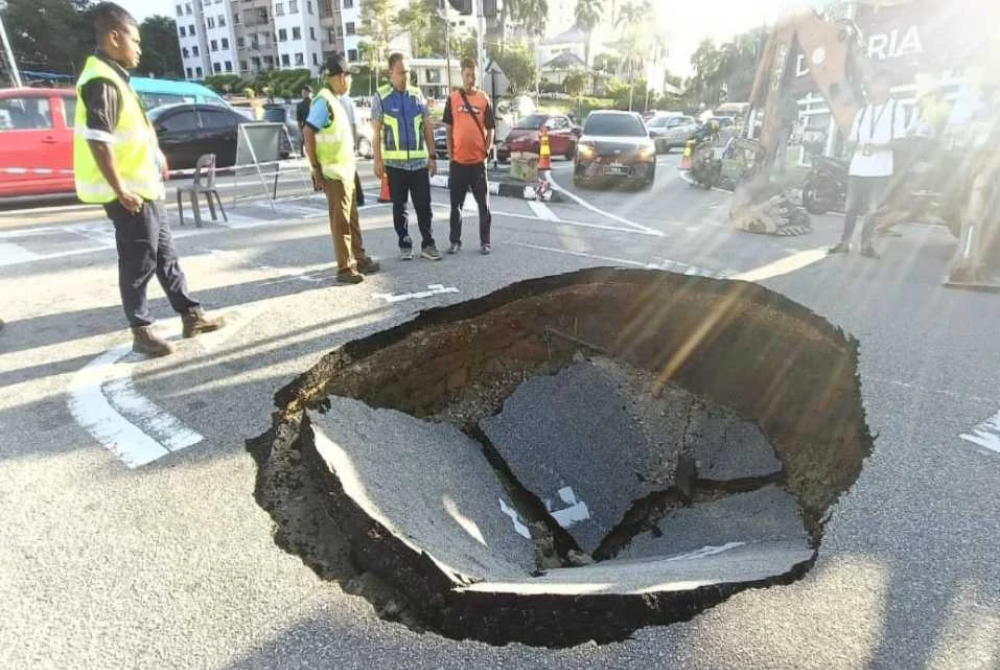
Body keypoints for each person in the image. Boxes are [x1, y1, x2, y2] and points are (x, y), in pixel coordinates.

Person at [74, 2, 224, 357]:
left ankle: (190, 314)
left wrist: (156, 157)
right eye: (135, 40)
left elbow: (131, 133)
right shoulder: (101, 80)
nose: (139, 48)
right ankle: (141, 329)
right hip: (131, 194)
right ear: (114, 37)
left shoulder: (115, 78)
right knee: (138, 262)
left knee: (166, 257)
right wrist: (121, 189)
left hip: (145, 188)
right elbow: (99, 140)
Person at [303, 55, 381, 284]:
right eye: (348, 75)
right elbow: (308, 131)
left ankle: (359, 258)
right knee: (341, 222)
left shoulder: (335, 100)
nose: (350, 81)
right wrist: (315, 168)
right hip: (333, 173)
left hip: (345, 172)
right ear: (340, 77)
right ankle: (345, 267)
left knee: (351, 219)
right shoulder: (324, 101)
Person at [829, 70, 907, 259]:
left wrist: (876, 146)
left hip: (880, 169)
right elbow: (853, 138)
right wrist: (851, 144)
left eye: (879, 84)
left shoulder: (896, 109)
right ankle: (844, 243)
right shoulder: (863, 112)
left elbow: (899, 141)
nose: (874, 88)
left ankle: (866, 246)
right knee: (850, 208)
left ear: (887, 86)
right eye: (873, 84)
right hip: (858, 167)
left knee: (872, 210)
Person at [372, 53, 441, 261]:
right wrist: (377, 160)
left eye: (408, 72)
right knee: (399, 207)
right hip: (395, 165)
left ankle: (428, 244)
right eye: (401, 72)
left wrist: (432, 156)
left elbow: (427, 128)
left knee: (424, 206)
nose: (405, 76)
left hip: (419, 163)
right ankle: (404, 242)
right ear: (391, 74)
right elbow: (376, 133)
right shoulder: (381, 97)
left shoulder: (417, 95)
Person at [443, 56, 495, 255]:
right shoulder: (453, 99)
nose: (470, 78)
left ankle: (485, 242)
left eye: (473, 74)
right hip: (458, 163)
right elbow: (448, 129)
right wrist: (450, 155)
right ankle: (455, 241)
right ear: (462, 75)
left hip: (477, 164)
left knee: (484, 206)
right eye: (467, 74)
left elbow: (491, 129)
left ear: (477, 75)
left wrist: (486, 152)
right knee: (456, 205)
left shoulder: (483, 99)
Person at [295, 85, 313, 155]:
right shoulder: (300, 105)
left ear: (310, 93)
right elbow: (299, 119)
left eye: (305, 92)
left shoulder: (315, 103)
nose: (304, 94)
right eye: (303, 93)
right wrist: (300, 130)